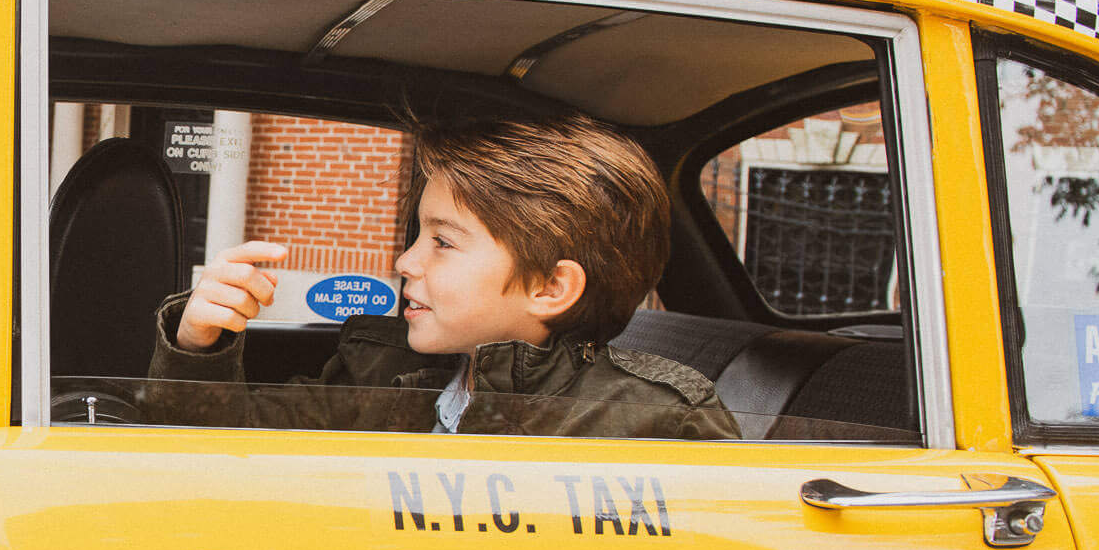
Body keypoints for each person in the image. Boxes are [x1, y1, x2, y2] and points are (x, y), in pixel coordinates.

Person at [145, 113, 739, 439]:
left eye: (443, 242)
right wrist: (202, 345)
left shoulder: (655, 421)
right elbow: (227, 450)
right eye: (416, 236)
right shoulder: (379, 372)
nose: (405, 262)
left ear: (550, 288)